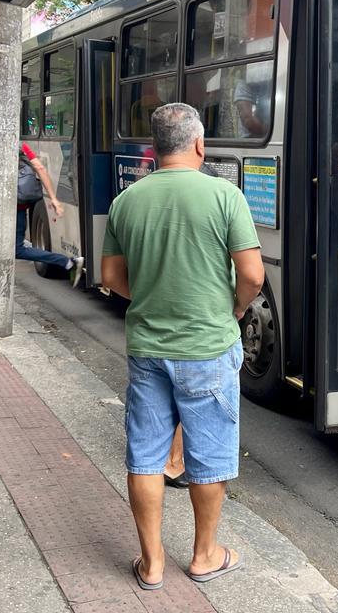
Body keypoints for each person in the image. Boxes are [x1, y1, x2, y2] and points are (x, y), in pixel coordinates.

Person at [100, 102, 263, 591]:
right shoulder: (223, 195)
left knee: (146, 456)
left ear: (153, 148)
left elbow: (110, 277)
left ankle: (150, 564)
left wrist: (150, 296)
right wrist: (231, 308)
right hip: (208, 346)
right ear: (198, 144)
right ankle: (204, 556)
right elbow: (253, 275)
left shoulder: (127, 199)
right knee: (208, 457)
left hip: (147, 346)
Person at [0, 115, 84, 286]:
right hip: (18, 207)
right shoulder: (20, 146)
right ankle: (67, 262)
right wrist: (53, 198)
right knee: (16, 249)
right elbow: (39, 167)